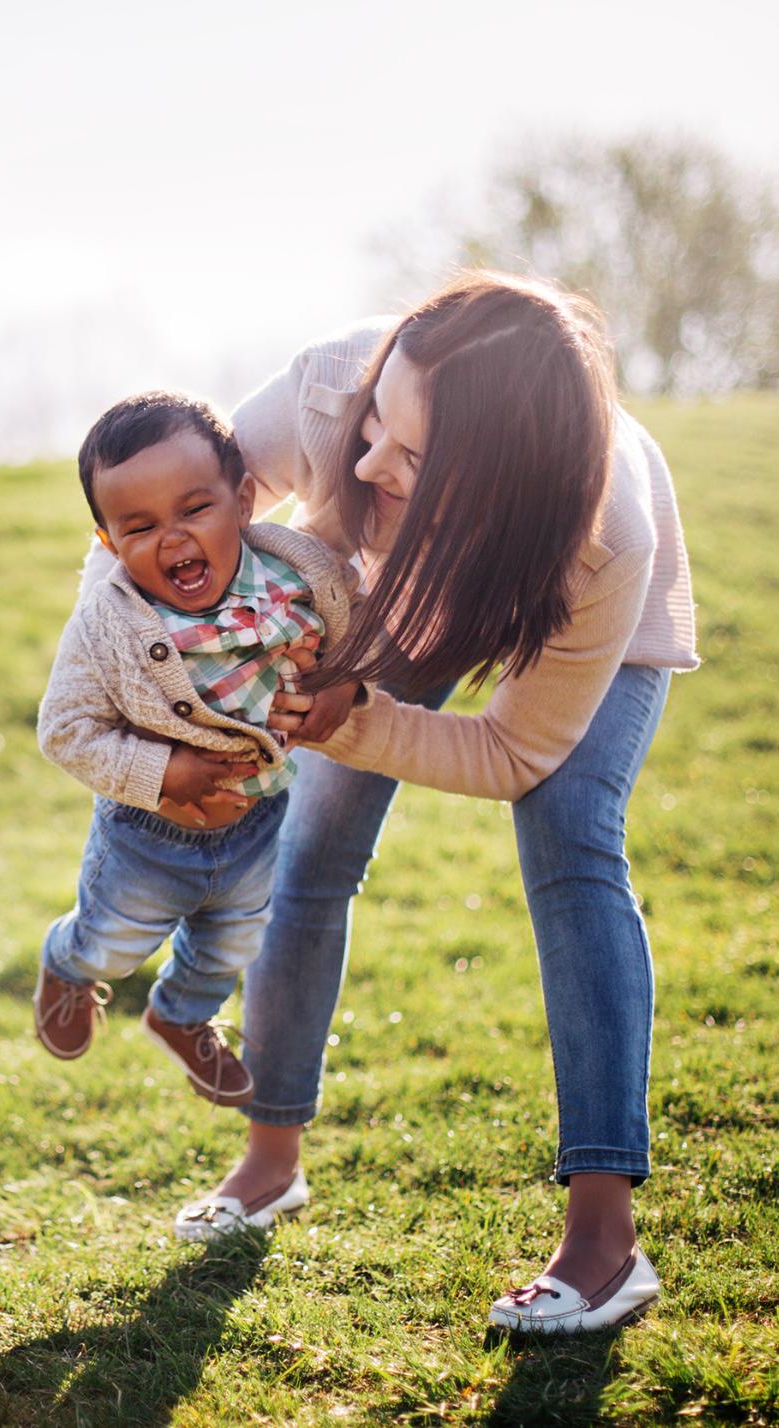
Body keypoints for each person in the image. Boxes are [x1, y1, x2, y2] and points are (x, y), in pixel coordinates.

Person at [159, 272, 696, 1334]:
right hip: (397, 597)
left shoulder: (603, 535)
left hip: (571, 616)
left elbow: (512, 753)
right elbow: (185, 523)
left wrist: (351, 717)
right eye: (375, 425)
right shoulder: (327, 393)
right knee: (311, 851)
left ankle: (604, 1242)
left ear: (498, 477)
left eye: (409, 458)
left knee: (572, 844)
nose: (364, 464)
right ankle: (270, 1163)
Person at [34, 391, 353, 1113]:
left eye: (194, 510)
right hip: (148, 837)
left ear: (243, 500)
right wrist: (166, 772)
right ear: (109, 542)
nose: (172, 538)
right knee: (110, 942)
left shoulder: (300, 571)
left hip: (257, 824)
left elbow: (349, 621)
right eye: (140, 526)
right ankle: (66, 964)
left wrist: (345, 680)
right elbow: (64, 730)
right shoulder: (106, 626)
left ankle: (179, 1016)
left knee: (226, 949)